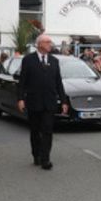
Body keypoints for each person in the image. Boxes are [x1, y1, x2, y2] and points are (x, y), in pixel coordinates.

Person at [17, 35, 69, 170]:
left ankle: (45, 159)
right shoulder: (28, 60)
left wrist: (63, 101)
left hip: (49, 102)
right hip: (34, 101)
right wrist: (20, 99)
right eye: (47, 42)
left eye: (50, 42)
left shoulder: (54, 61)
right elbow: (22, 81)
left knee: (47, 130)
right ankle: (36, 155)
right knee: (35, 131)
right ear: (39, 44)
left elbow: (58, 82)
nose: (50, 44)